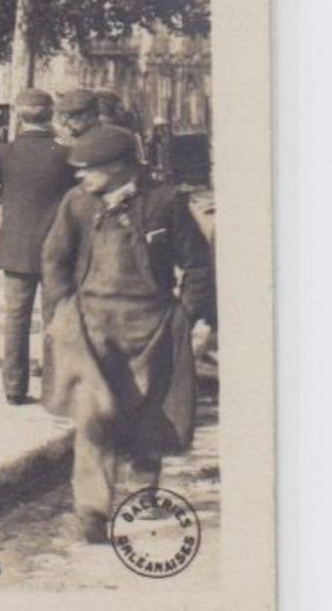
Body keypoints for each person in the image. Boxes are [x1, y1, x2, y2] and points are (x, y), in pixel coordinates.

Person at [41, 125, 212, 544]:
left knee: (147, 415)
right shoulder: (77, 204)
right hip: (92, 328)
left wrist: (185, 316)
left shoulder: (165, 202)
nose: (81, 177)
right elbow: (55, 259)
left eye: (88, 169)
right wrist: (64, 310)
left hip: (150, 328)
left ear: (119, 167)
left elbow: (198, 265)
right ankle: (93, 511)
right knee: (93, 416)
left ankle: (142, 497)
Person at [0, 88, 76, 403]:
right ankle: (54, 389)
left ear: (18, 117)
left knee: (16, 318)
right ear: (51, 115)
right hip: (59, 248)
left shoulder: (4, 153)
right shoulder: (66, 153)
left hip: (16, 249)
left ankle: (14, 389)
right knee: (55, 319)